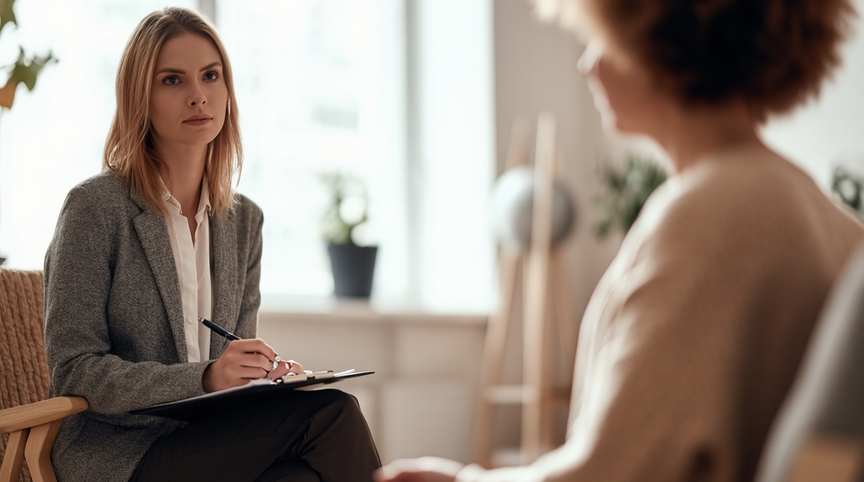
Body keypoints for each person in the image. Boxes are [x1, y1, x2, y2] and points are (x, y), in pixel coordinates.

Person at [376, 0, 864, 481]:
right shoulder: (836, 224)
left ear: (664, 44)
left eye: (600, 39)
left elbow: (614, 471)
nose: (586, 64)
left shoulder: (708, 213)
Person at [43, 7, 380, 482]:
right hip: (121, 454)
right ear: (140, 96)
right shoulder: (94, 208)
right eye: (173, 81)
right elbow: (75, 370)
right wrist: (204, 377)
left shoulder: (244, 222)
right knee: (333, 413)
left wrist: (260, 376)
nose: (199, 96)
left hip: (213, 443)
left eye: (210, 75)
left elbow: (230, 361)